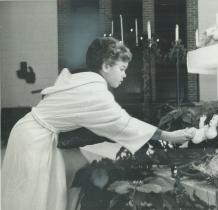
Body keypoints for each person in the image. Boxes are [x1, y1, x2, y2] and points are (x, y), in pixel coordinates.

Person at [1, 37, 195, 210]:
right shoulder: (94, 92)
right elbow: (125, 124)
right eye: (122, 69)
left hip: (28, 131)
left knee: (48, 189)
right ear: (106, 66)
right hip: (34, 139)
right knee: (33, 196)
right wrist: (170, 136)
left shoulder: (81, 80)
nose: (124, 75)